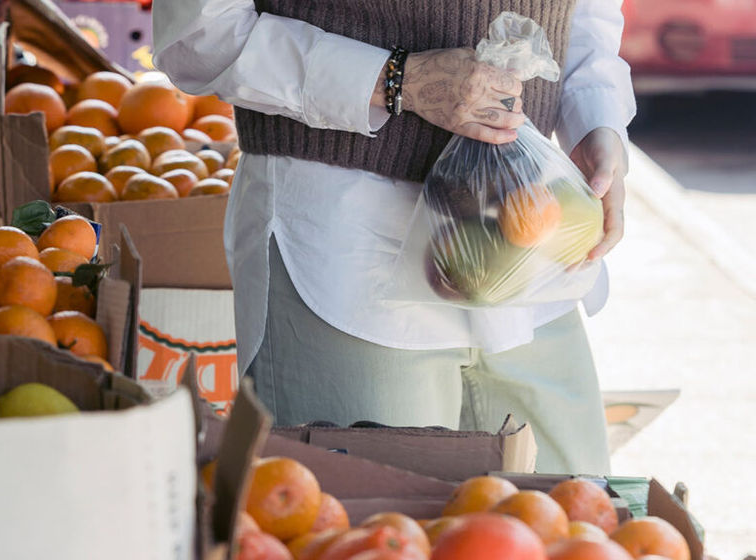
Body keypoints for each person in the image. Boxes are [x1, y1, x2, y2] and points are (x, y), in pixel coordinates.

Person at [153, 0, 635, 475]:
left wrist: (596, 120)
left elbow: (588, 14)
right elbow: (198, 34)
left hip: (531, 239)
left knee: (573, 526)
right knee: (368, 532)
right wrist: (394, 79)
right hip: (348, 250)